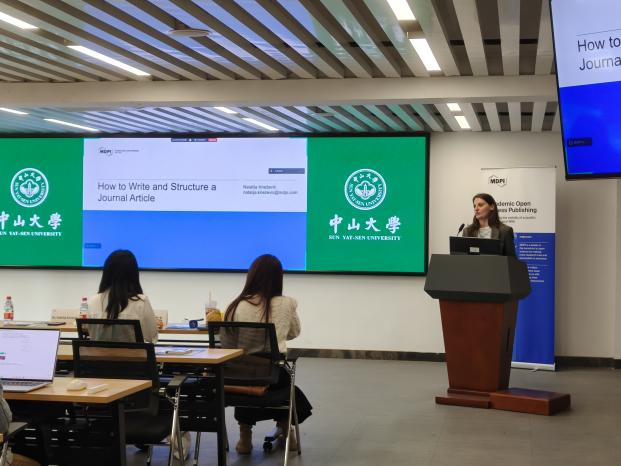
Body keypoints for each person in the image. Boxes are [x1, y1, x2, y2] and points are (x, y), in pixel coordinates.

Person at [224, 254, 312, 454]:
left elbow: (227, 345)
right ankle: (287, 431)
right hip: (273, 376)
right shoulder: (286, 304)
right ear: (278, 278)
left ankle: (244, 437)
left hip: (239, 377)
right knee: (287, 385)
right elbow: (294, 332)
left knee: (246, 379)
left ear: (252, 275)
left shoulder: (236, 305)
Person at [88, 249, 158, 343]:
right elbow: (152, 337)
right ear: (133, 274)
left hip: (97, 353)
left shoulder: (92, 302)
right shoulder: (141, 302)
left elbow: (89, 332)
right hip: (131, 353)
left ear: (106, 273)